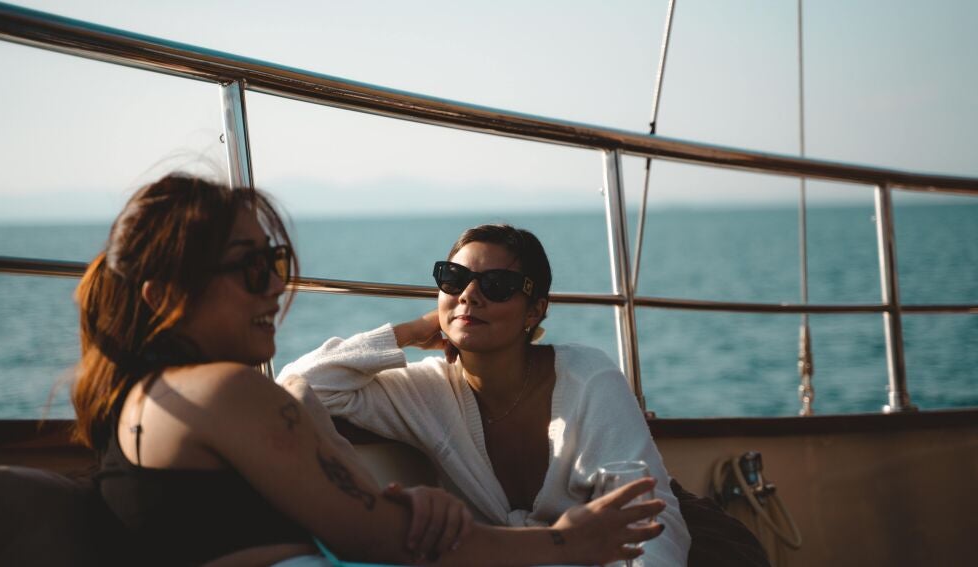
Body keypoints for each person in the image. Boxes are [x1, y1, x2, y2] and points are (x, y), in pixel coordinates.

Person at [72, 174, 666, 567]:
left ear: (536, 310)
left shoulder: (144, 399)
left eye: (275, 262)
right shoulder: (226, 392)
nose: (277, 286)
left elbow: (370, 526)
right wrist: (568, 541)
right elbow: (380, 534)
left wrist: (406, 507)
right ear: (163, 296)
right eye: (251, 270)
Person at [278, 224, 691, 566]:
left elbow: (651, 521)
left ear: (535, 310)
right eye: (454, 279)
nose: (468, 295)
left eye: (497, 285)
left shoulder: (588, 379)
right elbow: (300, 383)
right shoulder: (428, 390)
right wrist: (410, 331)